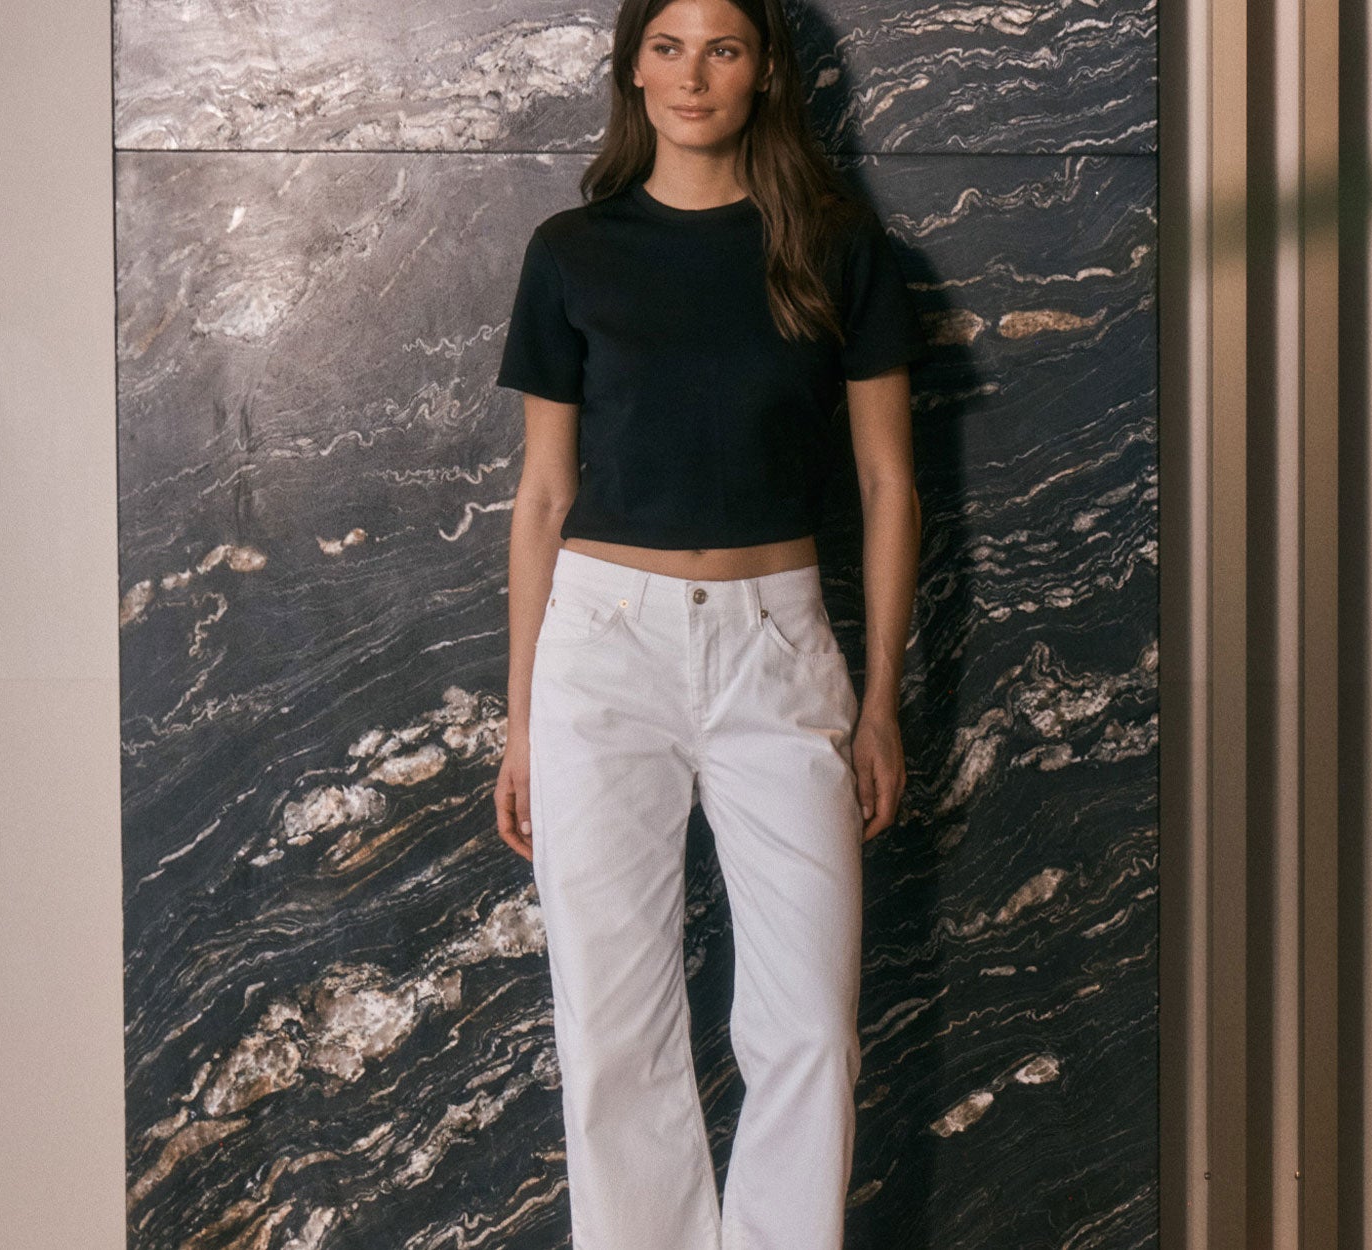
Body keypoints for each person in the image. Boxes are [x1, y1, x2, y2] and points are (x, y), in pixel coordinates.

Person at [485, 0, 924, 1243]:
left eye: (722, 46)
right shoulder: (572, 250)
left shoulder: (832, 244)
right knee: (612, 1027)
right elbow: (543, 494)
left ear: (764, 70)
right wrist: (519, 722)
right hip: (599, 650)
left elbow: (891, 483)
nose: (694, 74)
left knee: (806, 1026)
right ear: (634, 67)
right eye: (669, 46)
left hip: (777, 647)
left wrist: (879, 696)